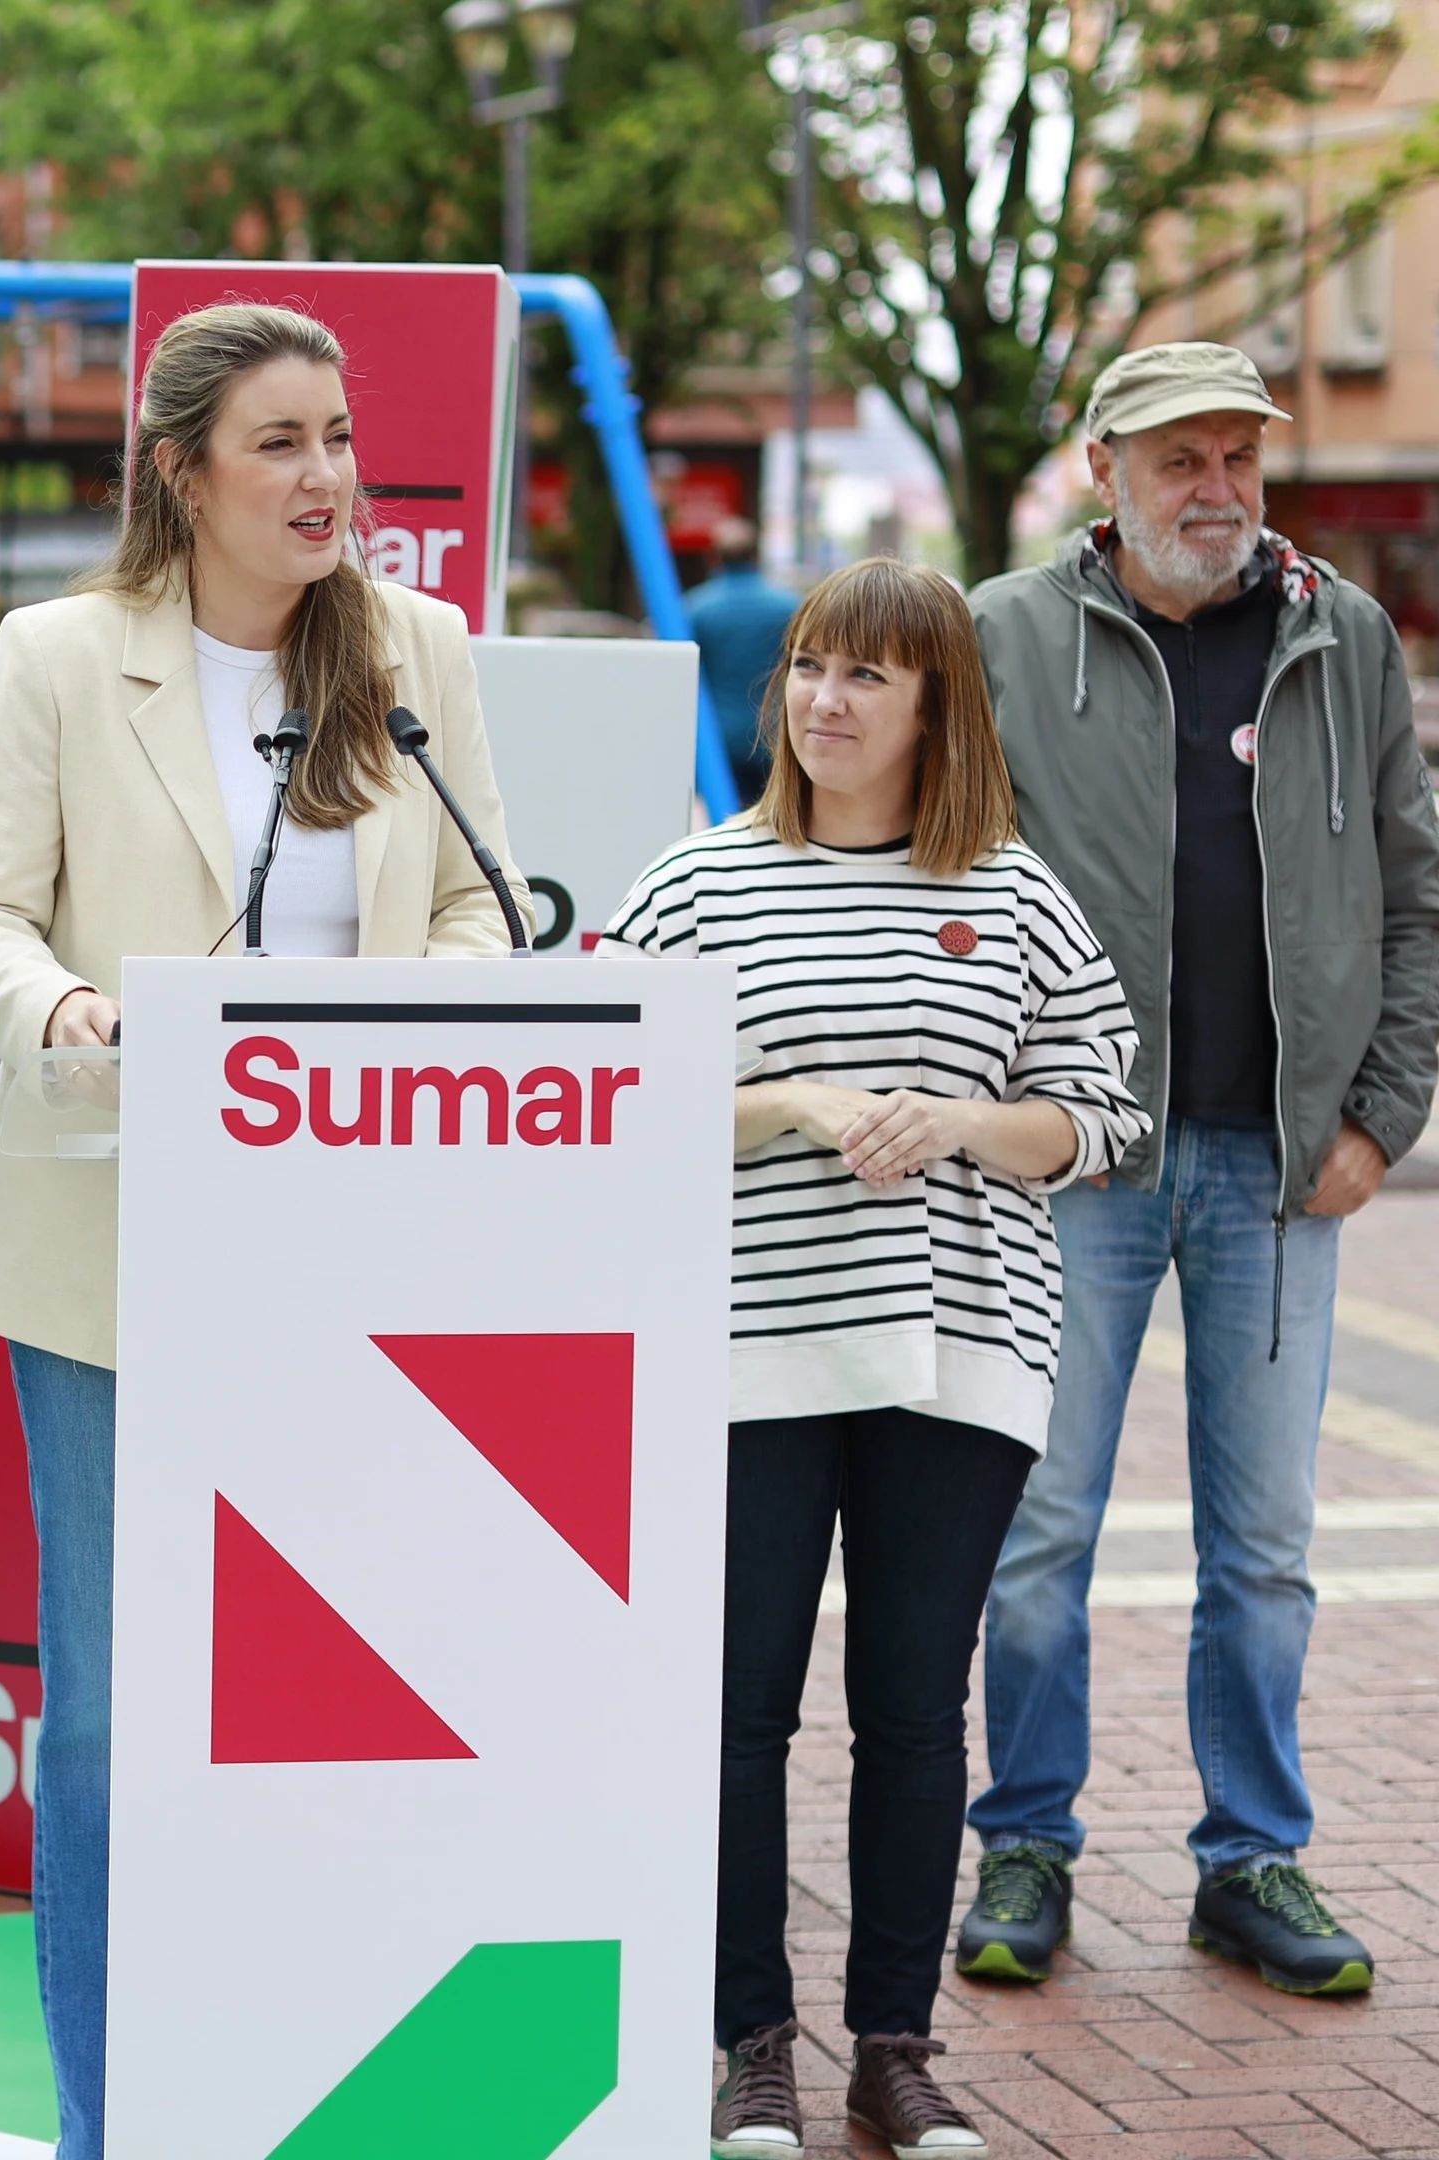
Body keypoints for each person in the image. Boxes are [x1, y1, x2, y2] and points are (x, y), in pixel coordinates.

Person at [0, 302, 520, 2159]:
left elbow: (485, 920)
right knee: (103, 1730)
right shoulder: (58, 651)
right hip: (111, 1261)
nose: (329, 476)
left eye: (340, 437)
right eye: (282, 442)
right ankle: (108, 2117)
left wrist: (406, 1031)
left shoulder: (416, 650)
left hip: (349, 1273)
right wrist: (70, 1020)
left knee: (323, 1704)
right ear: (179, 470)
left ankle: (294, 2083)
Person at [602, 559, 1145, 2159]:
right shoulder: (696, 887)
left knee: (915, 1714)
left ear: (936, 709)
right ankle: (749, 2048)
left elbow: (1103, 1114)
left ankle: (895, 2051)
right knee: (734, 1714)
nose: (824, 703)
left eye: (867, 679)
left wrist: (966, 1124)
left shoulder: (1019, 896)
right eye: (809, 671)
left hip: (956, 1356)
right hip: (745, 1356)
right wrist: (791, 1106)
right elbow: (608, 1101)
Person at [957, 341, 1439, 1999]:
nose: (1218, 491)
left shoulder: (1342, 635)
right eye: (1181, 460)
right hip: (1074, 1161)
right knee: (1037, 1531)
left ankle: (1255, 1861)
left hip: (1278, 1166)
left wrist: (1380, 1115)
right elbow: (924, 868)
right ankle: (1023, 1839)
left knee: (1266, 1546)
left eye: (1240, 457)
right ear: (1102, 469)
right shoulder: (1001, 636)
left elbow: (1412, 887)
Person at [687, 515, 799, 806]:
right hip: (775, 734)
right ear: (757, 556)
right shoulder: (790, 606)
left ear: (714, 558)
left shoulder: (695, 609)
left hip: (717, 737)